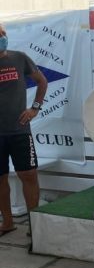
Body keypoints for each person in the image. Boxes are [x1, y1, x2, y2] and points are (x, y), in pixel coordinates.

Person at [0, 24, 48, 235]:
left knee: (28, 174)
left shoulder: (19, 58)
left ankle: (34, 225)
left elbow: (41, 81)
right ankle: (7, 223)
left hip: (19, 130)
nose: (2, 37)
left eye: (2, 33)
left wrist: (35, 108)